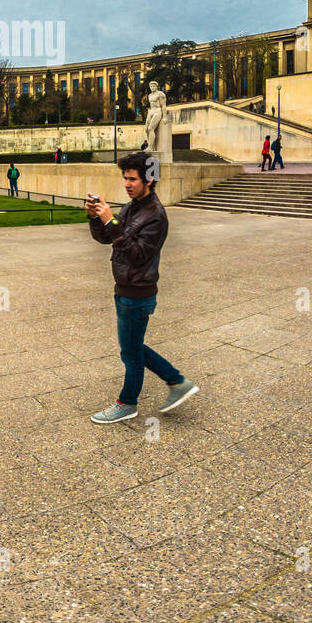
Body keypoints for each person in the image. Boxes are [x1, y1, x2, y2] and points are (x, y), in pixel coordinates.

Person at [86, 151, 196, 425]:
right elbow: (107, 239)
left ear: (149, 179)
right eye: (125, 178)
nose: (127, 184)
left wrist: (112, 221)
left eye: (132, 179)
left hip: (138, 293)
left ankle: (127, 403)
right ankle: (177, 382)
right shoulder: (133, 206)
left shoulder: (156, 216)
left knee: (131, 352)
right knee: (132, 347)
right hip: (125, 289)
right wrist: (95, 217)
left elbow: (137, 254)